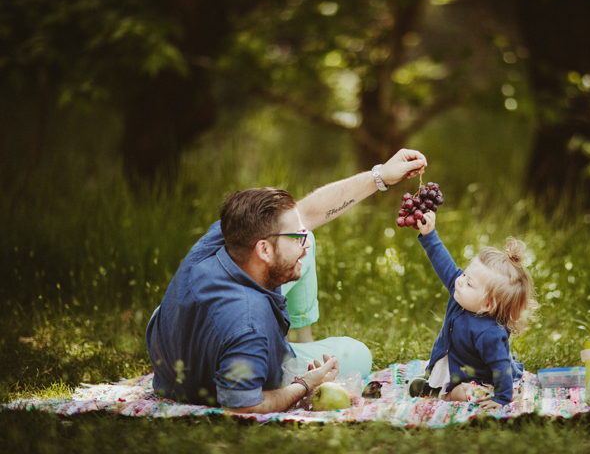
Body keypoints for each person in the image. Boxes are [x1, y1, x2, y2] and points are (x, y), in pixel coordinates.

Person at [146, 149, 427, 413]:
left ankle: (300, 341)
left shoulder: (232, 232)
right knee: (359, 354)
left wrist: (380, 175)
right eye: (297, 238)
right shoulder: (249, 324)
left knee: (305, 238)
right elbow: (242, 406)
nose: (304, 244)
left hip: (174, 351)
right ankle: (290, 363)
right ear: (264, 250)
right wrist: (303, 384)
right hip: (200, 380)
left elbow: (310, 212)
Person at [409, 211, 538, 409]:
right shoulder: (462, 293)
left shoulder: (489, 333)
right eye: (465, 273)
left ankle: (441, 394)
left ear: (487, 304)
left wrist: (501, 398)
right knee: (441, 368)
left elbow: (501, 367)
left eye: (469, 282)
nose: (459, 281)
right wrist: (429, 235)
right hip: (459, 365)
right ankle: (437, 384)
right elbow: (445, 265)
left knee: (464, 393)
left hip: (488, 381)